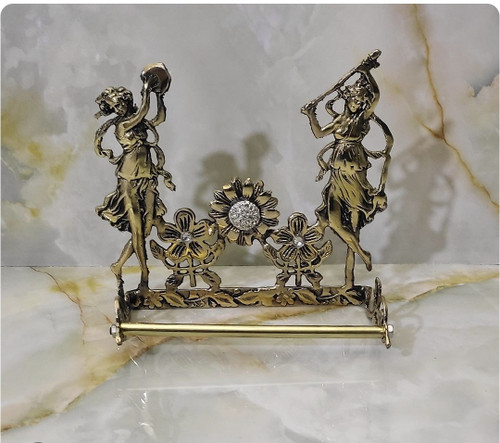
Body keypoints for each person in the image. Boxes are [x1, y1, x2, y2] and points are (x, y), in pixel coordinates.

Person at [301, 56, 393, 289]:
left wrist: (366, 72)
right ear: (347, 100)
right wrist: (311, 115)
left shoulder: (363, 118)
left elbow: (376, 95)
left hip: (354, 176)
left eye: (359, 101)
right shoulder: (341, 119)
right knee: (334, 221)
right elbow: (319, 134)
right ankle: (362, 253)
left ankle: (349, 281)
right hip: (336, 176)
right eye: (353, 100)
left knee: (353, 223)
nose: (356, 103)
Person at [94, 72, 175, 296]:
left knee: (145, 230)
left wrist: (159, 95)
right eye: (115, 107)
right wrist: (146, 90)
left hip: (147, 180)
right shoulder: (122, 125)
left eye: (121, 104)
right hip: (128, 182)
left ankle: (118, 265)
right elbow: (143, 112)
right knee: (138, 232)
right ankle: (144, 277)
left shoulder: (138, 122)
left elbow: (159, 118)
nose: (119, 109)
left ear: (127, 101)